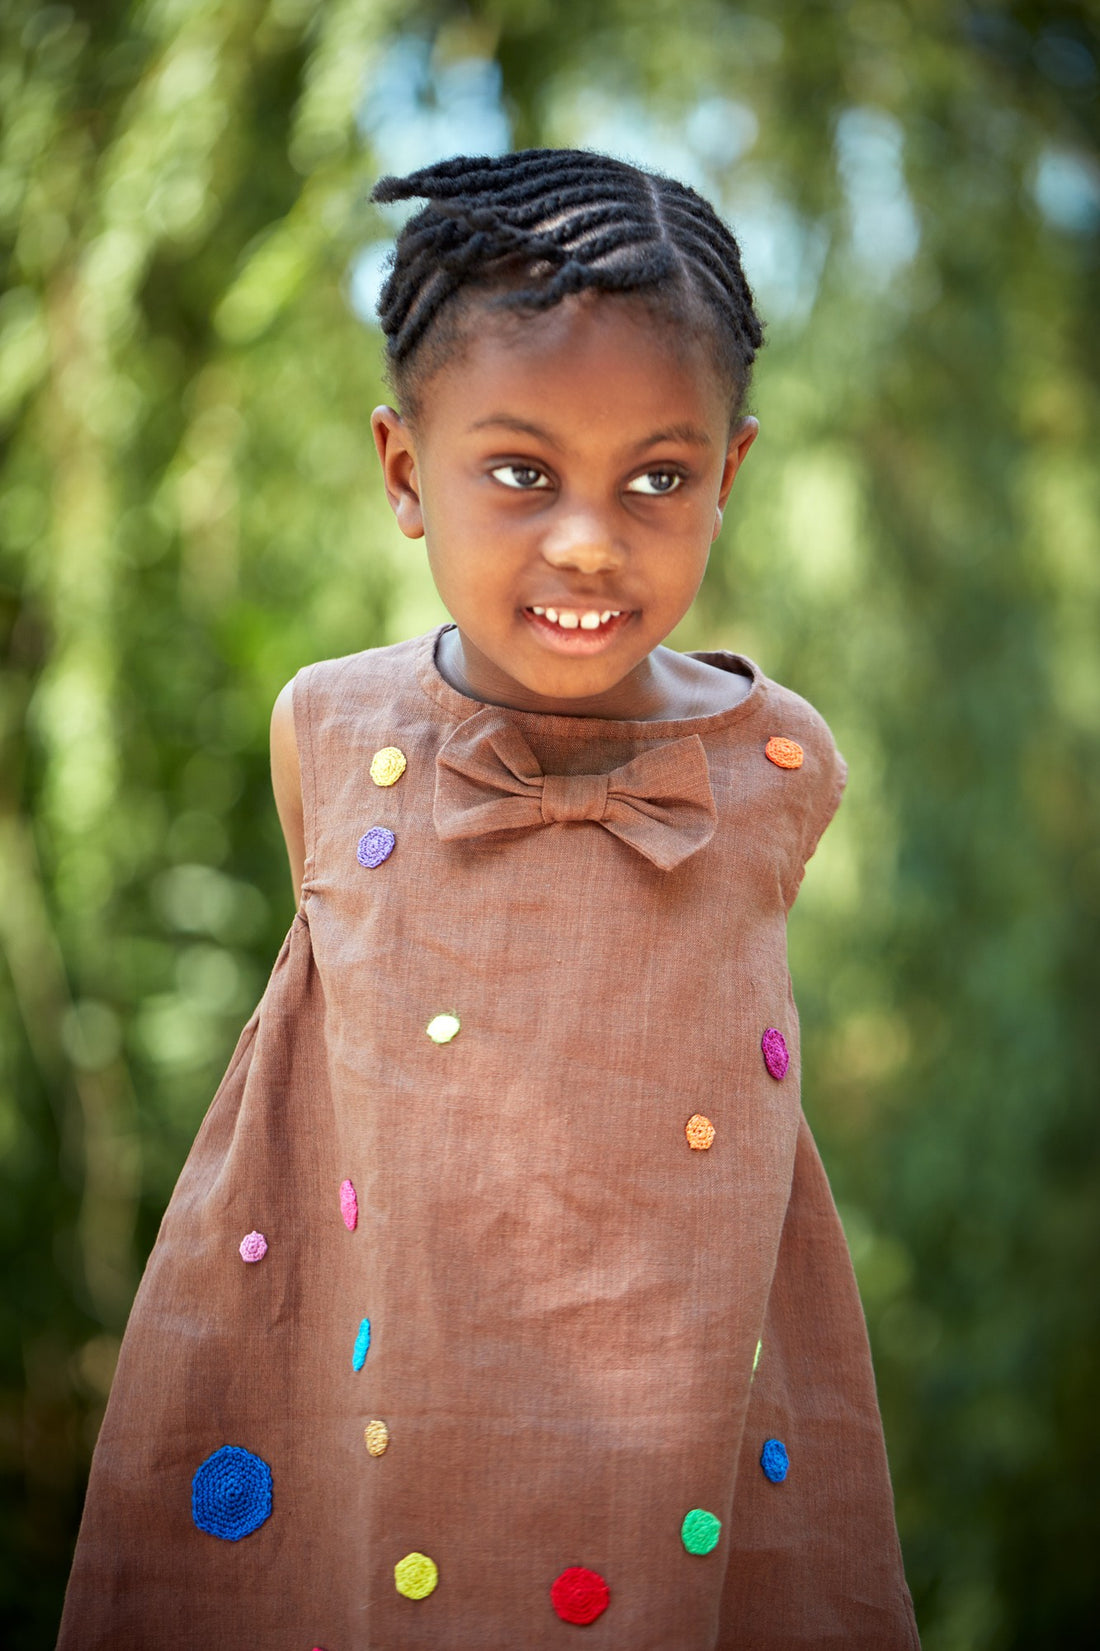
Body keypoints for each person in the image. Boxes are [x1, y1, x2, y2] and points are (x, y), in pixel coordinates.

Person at [58, 149, 919, 1650]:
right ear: (405, 471)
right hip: (382, 1390)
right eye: (520, 472)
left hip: (676, 1417)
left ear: (729, 474)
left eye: (658, 477)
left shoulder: (780, 766)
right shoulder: (327, 735)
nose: (590, 538)